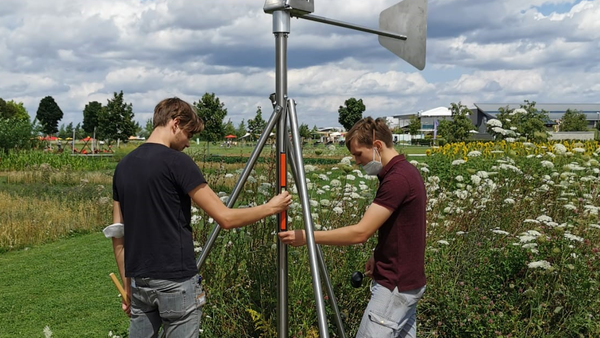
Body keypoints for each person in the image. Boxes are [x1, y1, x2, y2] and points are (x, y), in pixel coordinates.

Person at [110, 97, 292, 338]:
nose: (187, 143)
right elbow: (225, 218)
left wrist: (127, 283)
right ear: (175, 123)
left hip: (140, 282)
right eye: (188, 134)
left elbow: (117, 232)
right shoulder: (177, 162)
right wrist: (271, 207)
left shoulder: (123, 166)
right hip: (175, 281)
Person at [279, 117, 426, 338]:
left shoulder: (397, 179)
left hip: (394, 287)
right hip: (406, 282)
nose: (357, 161)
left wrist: (307, 236)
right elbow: (404, 229)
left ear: (377, 146)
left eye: (358, 154)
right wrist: (379, 254)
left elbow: (360, 233)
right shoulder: (405, 172)